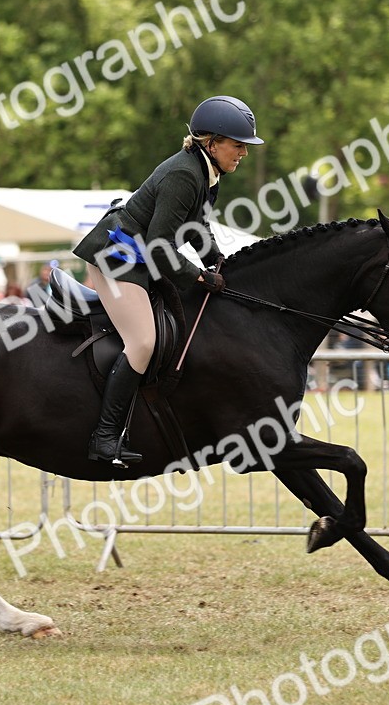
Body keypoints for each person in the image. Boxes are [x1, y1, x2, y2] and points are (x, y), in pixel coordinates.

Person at [71, 95, 263, 467]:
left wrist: (218, 262)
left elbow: (196, 229)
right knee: (143, 341)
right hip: (117, 256)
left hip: (138, 257)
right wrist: (199, 276)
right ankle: (105, 438)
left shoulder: (207, 173)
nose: (244, 153)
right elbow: (160, 247)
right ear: (212, 142)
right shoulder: (184, 175)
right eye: (238, 145)